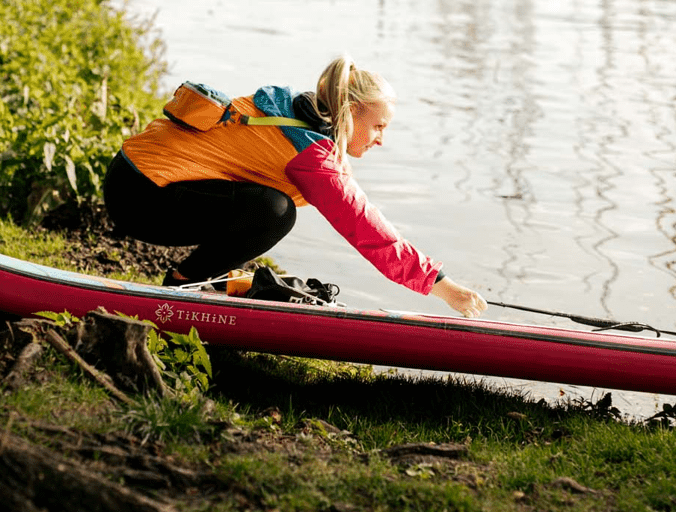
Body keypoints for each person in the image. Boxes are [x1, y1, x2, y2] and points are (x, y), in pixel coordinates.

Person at [102, 55, 488, 318]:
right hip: (143, 197)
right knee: (275, 212)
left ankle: (204, 284)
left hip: (129, 179)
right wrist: (444, 288)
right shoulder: (310, 153)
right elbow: (367, 230)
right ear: (352, 112)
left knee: (266, 207)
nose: (381, 139)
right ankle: (185, 288)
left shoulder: (291, 112)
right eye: (379, 126)